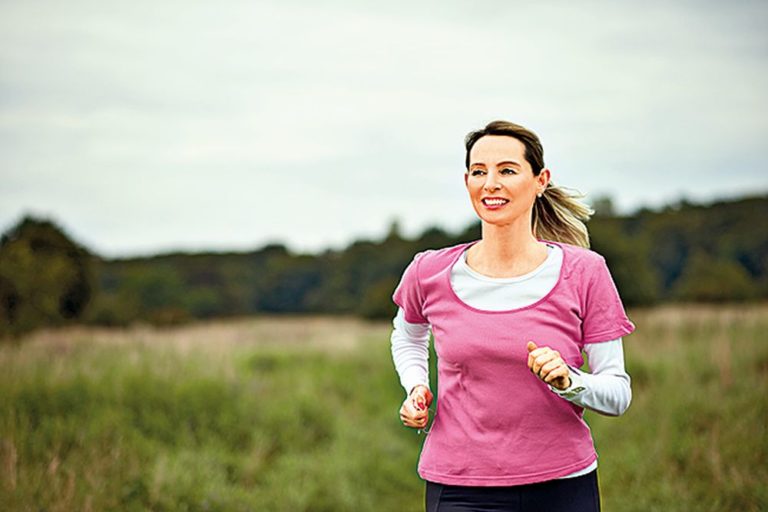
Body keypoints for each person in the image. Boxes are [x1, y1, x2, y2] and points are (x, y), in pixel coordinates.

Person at [390, 120, 635, 512]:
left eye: (507, 170)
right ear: (466, 181)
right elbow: (408, 334)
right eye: (478, 171)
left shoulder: (585, 272)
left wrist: (569, 381)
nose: (490, 183)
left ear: (540, 180)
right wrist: (415, 386)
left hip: (562, 486)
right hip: (459, 488)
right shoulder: (428, 271)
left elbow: (618, 395)